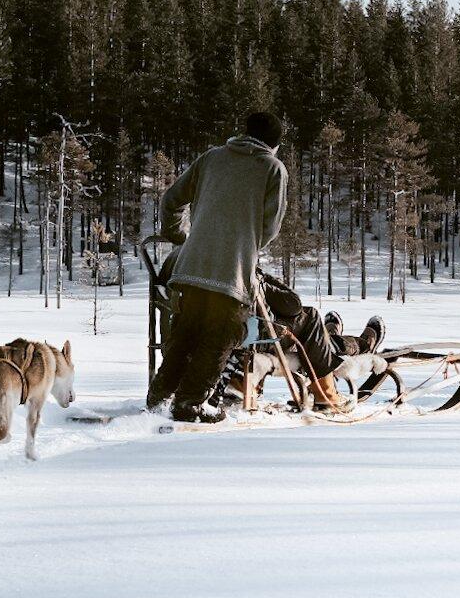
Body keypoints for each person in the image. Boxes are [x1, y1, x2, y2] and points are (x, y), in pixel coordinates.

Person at [147, 111, 351, 422]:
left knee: (187, 332)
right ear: (275, 144)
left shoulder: (211, 158)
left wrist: (181, 237)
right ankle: (189, 404)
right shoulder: (273, 169)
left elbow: (172, 200)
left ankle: (159, 398)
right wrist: (241, 246)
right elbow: (268, 229)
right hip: (231, 274)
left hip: (188, 270)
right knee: (224, 333)